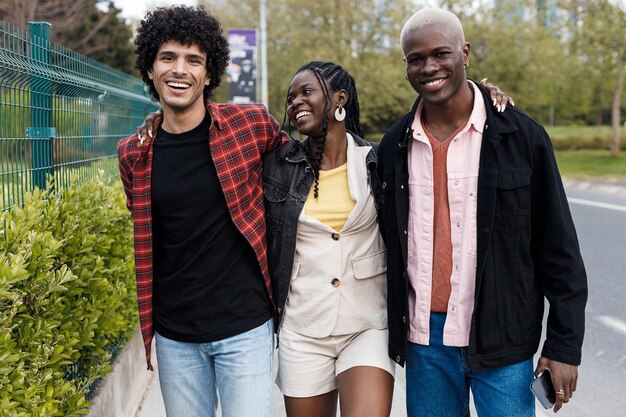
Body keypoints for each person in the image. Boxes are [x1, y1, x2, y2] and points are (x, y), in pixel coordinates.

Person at [377, 7, 588, 417]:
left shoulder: (521, 137)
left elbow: (558, 250)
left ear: (465, 53)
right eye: (415, 59)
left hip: (502, 339)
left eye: (441, 54)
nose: (429, 67)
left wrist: (564, 346)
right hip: (425, 343)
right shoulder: (393, 146)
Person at [116, 6, 287, 417]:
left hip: (245, 326)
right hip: (176, 335)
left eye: (194, 60)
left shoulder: (251, 125)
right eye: (168, 57)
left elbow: (297, 174)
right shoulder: (133, 155)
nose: (181, 70)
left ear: (209, 75)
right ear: (151, 68)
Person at [262, 61, 394, 417]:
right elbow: (223, 137)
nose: (295, 103)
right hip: (303, 327)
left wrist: (483, 96)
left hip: (367, 324)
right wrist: (164, 118)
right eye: (291, 98)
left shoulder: (378, 160)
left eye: (307, 92)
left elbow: (435, 117)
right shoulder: (278, 164)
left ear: (339, 98)